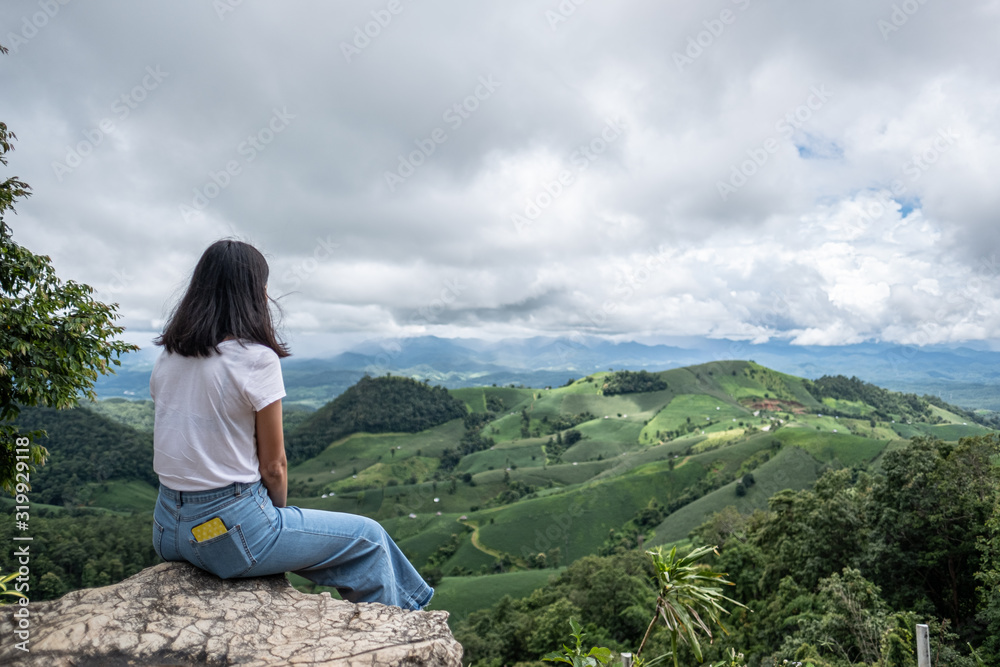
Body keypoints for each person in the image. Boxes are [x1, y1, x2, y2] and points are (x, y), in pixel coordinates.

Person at [150, 239, 432, 610]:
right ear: (256, 293)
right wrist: (275, 512)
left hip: (168, 529)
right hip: (228, 531)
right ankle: (401, 633)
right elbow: (274, 466)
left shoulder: (170, 355)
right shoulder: (255, 359)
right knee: (371, 539)